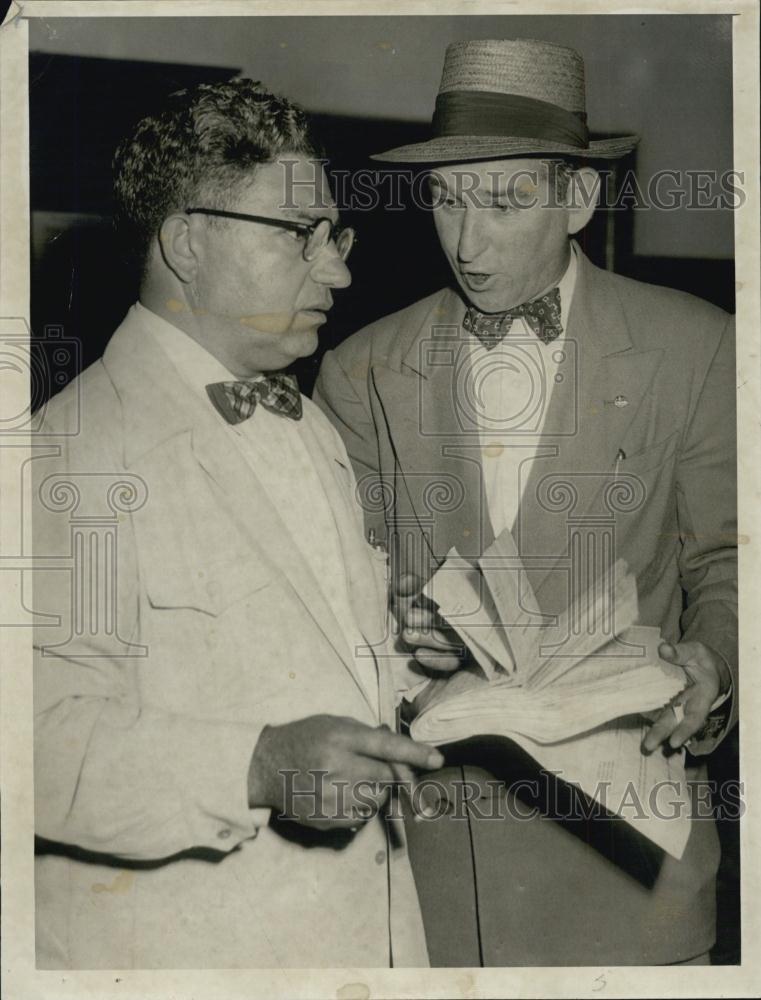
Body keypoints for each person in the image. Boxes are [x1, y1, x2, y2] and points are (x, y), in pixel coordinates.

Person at [314, 39, 737, 965]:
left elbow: (727, 558)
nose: (467, 243)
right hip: (437, 877)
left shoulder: (698, 347)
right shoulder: (358, 370)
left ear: (577, 199)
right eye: (448, 200)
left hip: (632, 877)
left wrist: (718, 663)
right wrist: (395, 629)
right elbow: (334, 592)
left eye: (503, 203)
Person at [32, 78, 445, 970]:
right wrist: (257, 768)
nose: (337, 268)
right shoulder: (69, 453)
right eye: (301, 236)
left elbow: (295, 657)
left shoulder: (307, 422)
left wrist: (411, 654)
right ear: (186, 241)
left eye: (335, 236)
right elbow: (32, 744)